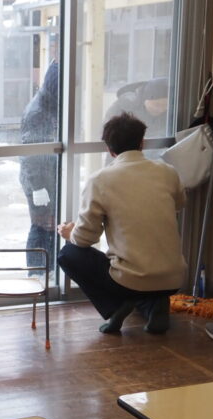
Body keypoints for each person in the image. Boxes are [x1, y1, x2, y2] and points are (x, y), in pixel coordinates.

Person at [56, 112, 185, 335]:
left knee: (68, 254)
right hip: (174, 278)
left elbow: (85, 238)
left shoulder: (100, 180)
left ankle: (117, 306)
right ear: (142, 142)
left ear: (109, 149)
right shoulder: (168, 172)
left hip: (130, 280)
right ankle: (156, 303)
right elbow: (180, 204)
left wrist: (69, 233)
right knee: (144, 271)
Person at [19, 59, 60, 271]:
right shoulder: (38, 112)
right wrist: (38, 188)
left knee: (50, 226)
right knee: (42, 226)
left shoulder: (50, 103)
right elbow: (30, 154)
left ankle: (48, 271)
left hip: (48, 177)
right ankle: (36, 273)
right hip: (39, 182)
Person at [104, 76, 169, 138]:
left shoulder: (171, 115)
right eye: (157, 104)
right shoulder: (122, 107)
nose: (161, 109)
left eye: (165, 105)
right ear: (145, 100)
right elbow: (106, 132)